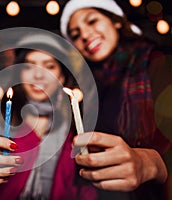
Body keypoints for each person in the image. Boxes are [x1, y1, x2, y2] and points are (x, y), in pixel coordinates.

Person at [0, 32, 97, 199]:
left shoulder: (75, 126)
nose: (38, 75)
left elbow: (83, 188)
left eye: (49, 66)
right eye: (29, 66)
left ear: (62, 75)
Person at [60, 0, 172, 199]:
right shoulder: (85, 87)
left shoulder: (158, 63)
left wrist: (151, 163)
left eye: (92, 21)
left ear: (116, 21)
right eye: (75, 35)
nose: (85, 35)